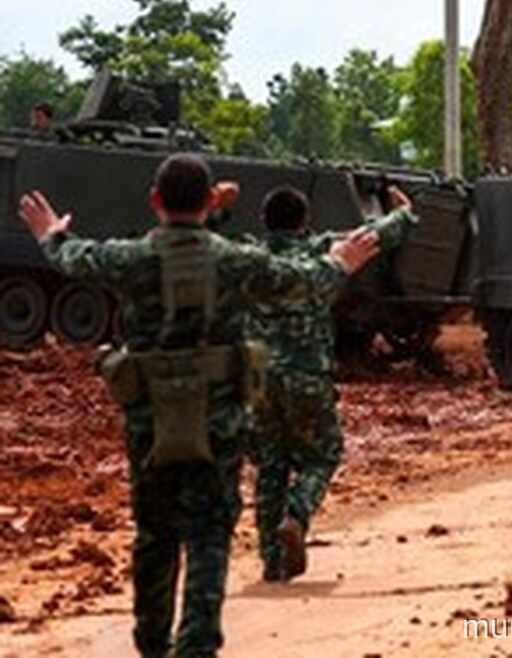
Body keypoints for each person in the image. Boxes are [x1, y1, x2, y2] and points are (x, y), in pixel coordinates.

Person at [17, 154, 383, 658]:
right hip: (220, 421)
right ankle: (197, 645)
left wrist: (50, 233)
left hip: (152, 420)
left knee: (155, 533)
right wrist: (340, 261)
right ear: (211, 202)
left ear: (154, 201)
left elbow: (74, 256)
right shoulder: (234, 260)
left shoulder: (132, 258)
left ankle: (152, 642)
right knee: (211, 533)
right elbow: (301, 280)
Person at [246, 184, 417, 582]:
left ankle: (273, 561)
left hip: (258, 380)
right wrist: (403, 214)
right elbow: (373, 237)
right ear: (305, 222)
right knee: (323, 454)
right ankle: (298, 513)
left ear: (264, 222)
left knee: (271, 464)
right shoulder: (319, 251)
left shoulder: (249, 258)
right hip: (307, 374)